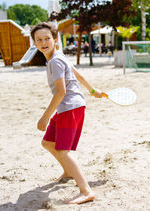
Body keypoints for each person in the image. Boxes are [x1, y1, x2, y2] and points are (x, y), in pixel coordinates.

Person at [30, 22, 103, 205]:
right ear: (35, 44)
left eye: (47, 38)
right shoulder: (59, 57)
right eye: (39, 40)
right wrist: (93, 91)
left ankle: (86, 191)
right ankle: (68, 171)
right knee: (47, 143)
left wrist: (45, 116)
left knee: (63, 151)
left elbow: (61, 92)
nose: (44, 42)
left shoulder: (55, 60)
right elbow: (78, 75)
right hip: (73, 106)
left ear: (55, 40)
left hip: (69, 107)